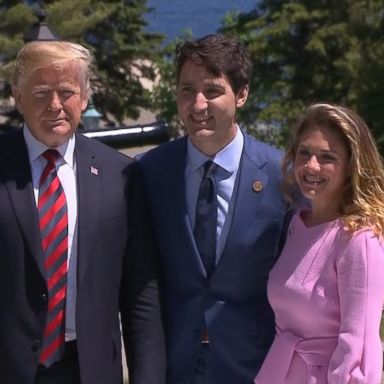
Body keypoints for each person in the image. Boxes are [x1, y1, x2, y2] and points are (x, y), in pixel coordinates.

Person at [0, 41, 165, 384]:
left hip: (90, 369)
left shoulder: (121, 175)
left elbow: (140, 294)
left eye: (67, 92)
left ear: (85, 97)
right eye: (42, 93)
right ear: (18, 96)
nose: (55, 105)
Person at [138, 34, 289, 384]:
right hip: (176, 365)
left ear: (242, 94)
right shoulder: (150, 172)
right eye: (187, 90)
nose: (198, 104)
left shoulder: (282, 177)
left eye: (212, 91)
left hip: (257, 366)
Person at [255, 103, 384, 384]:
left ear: (352, 166)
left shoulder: (360, 239)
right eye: (305, 153)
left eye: (327, 157)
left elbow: (360, 349)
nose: (311, 166)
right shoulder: (297, 224)